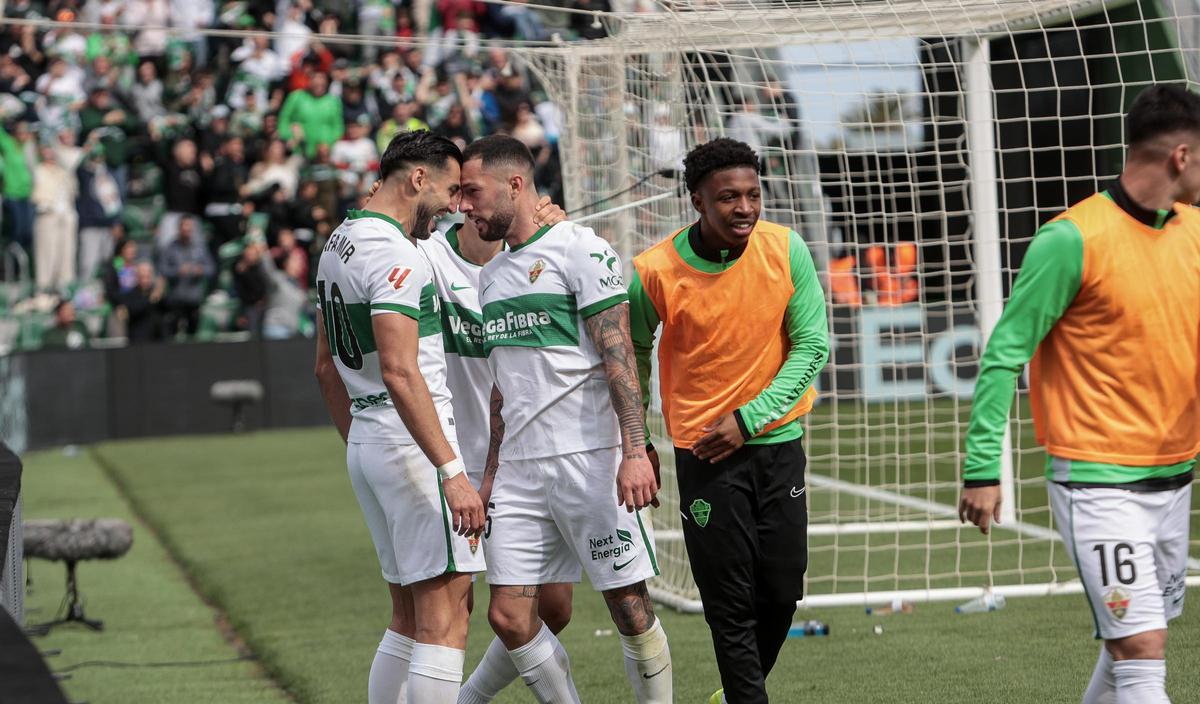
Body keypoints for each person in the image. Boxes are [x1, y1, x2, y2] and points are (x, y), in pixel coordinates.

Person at [959, 83, 1200, 704]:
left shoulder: (1195, 230)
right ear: (1180, 156)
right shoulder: (1071, 239)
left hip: (1175, 477)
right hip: (1097, 480)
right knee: (1142, 646)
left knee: (1130, 642)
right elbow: (1004, 354)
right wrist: (984, 468)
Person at [458, 135, 672, 704]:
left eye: (472, 191)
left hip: (591, 461)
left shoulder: (583, 249)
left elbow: (619, 354)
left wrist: (632, 450)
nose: (464, 205)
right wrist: (488, 475)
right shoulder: (491, 277)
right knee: (508, 616)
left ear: (515, 184)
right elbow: (503, 391)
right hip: (521, 474)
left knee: (629, 608)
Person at [628, 137, 829, 704]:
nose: (744, 208)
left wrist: (750, 418)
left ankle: (734, 694)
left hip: (778, 442)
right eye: (727, 198)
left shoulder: (786, 249)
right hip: (703, 454)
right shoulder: (653, 270)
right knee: (729, 602)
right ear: (697, 200)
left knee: (782, 590)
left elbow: (813, 346)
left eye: (752, 195)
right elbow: (633, 354)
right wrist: (638, 439)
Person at [313, 130, 485, 704]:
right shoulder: (396, 255)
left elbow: (323, 369)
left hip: (371, 436)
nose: (457, 204)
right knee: (445, 616)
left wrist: (362, 439)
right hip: (409, 439)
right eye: (452, 188)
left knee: (408, 617)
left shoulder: (339, 241)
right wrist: (451, 471)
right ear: (417, 179)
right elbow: (400, 371)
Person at [158, 217, 214, 338]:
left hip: (194, 298)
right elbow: (163, 269)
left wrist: (200, 270)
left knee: (193, 333)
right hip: (176, 298)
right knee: (172, 332)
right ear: (179, 228)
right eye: (184, 226)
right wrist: (178, 271)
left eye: (189, 227)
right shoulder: (170, 247)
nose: (187, 229)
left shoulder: (200, 247)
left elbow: (211, 268)